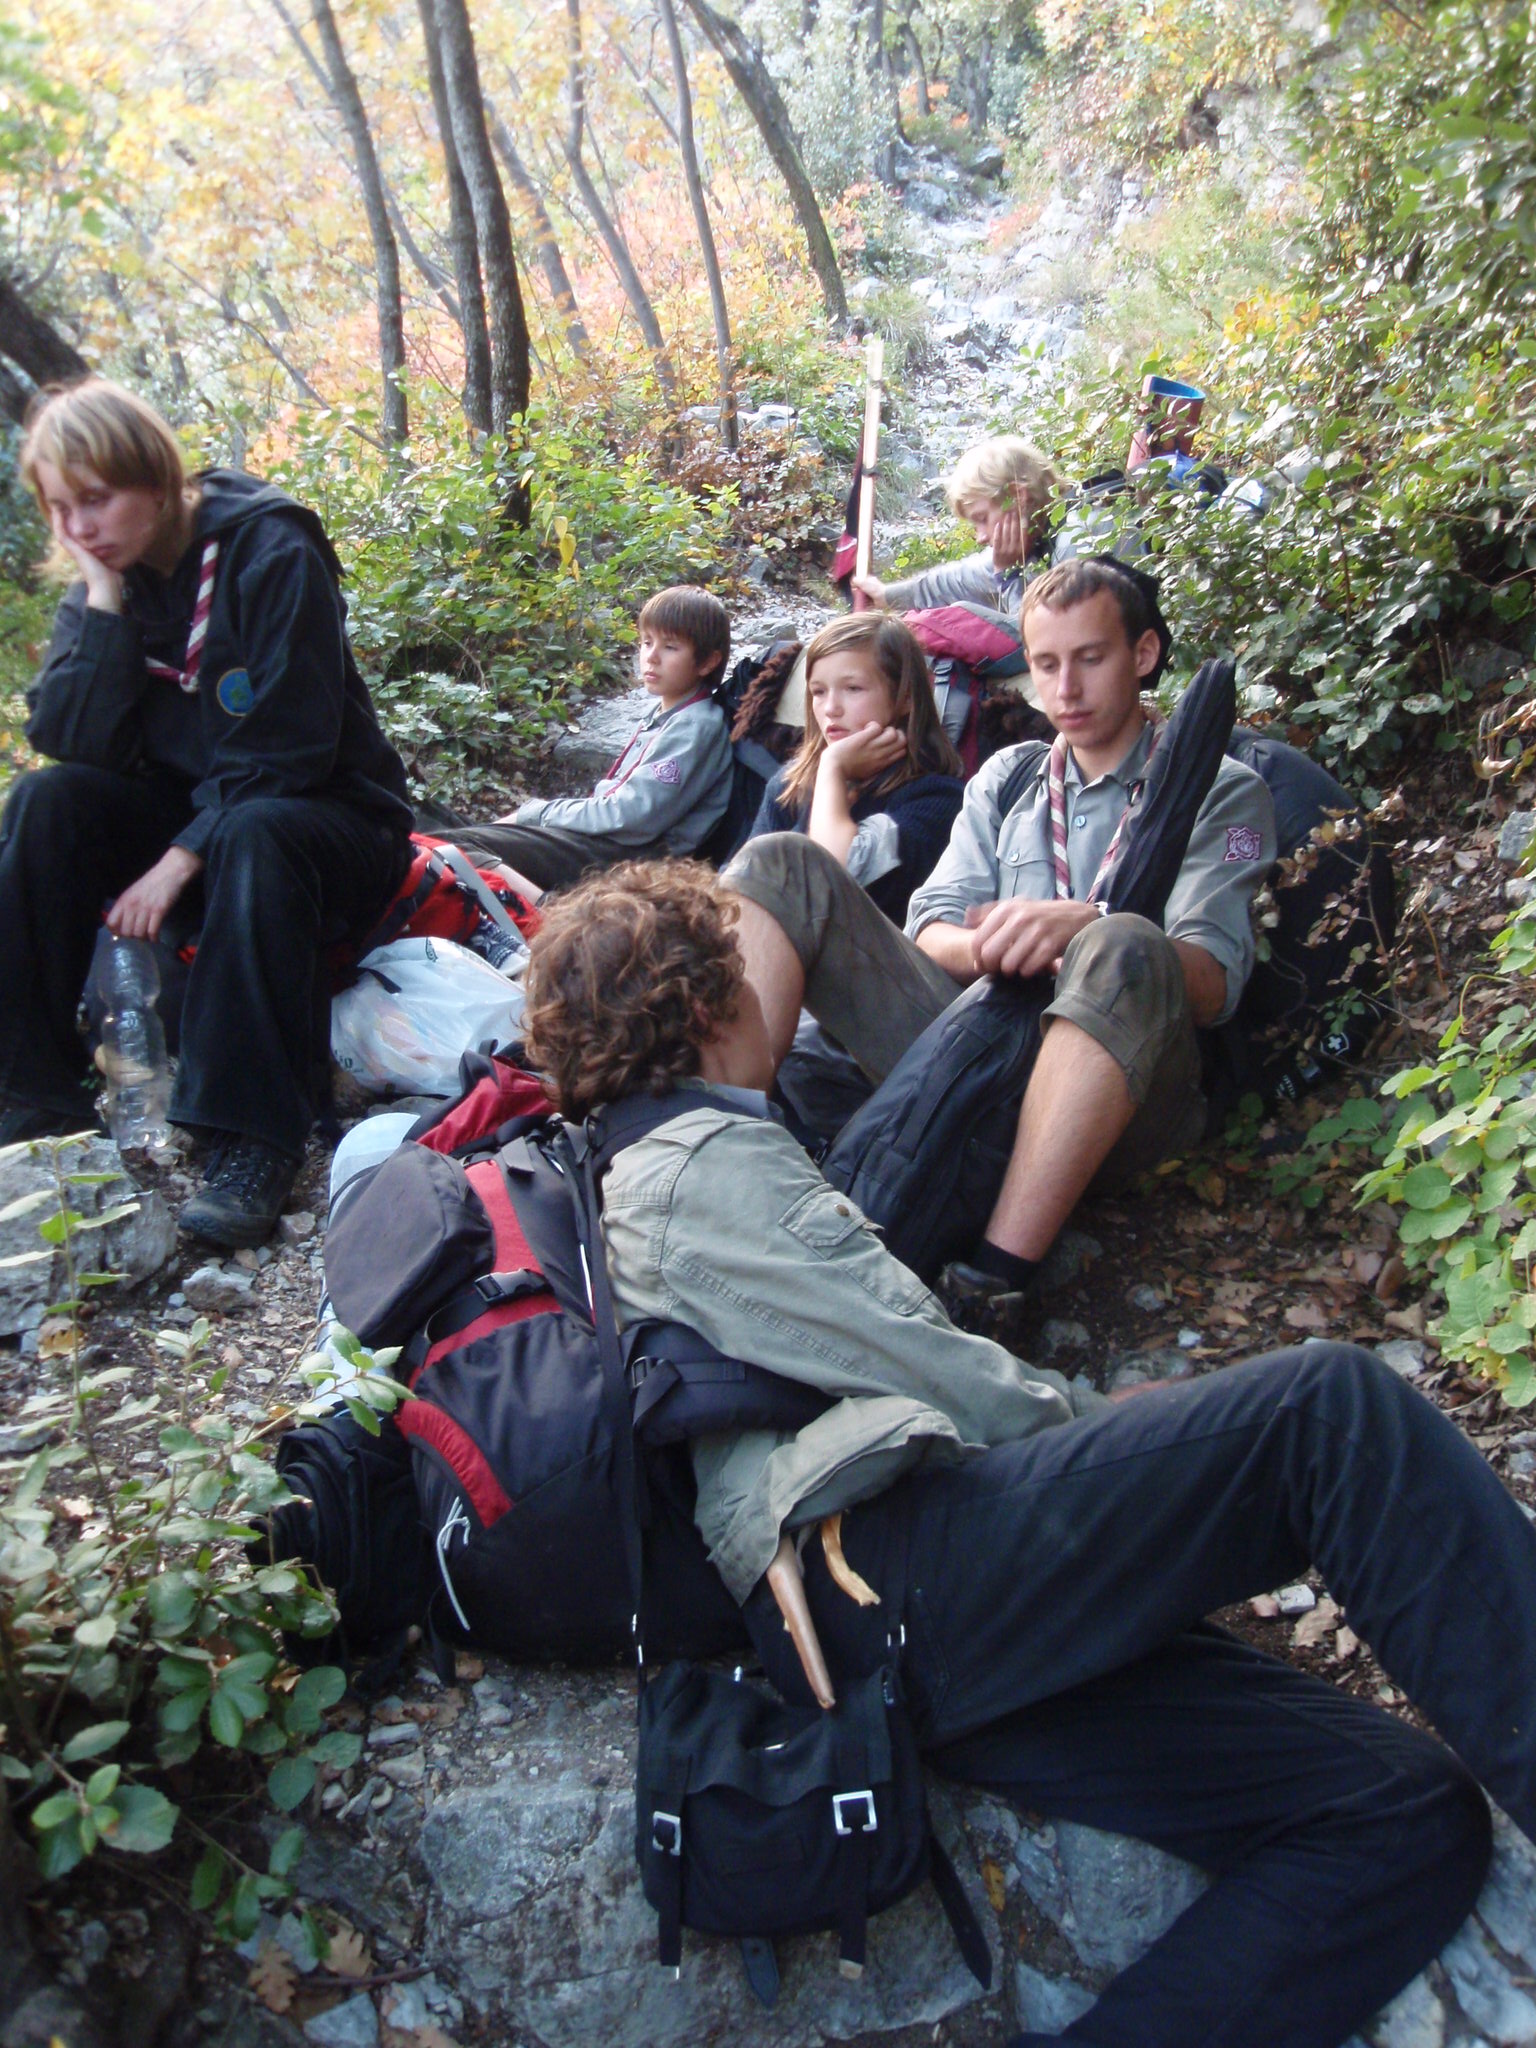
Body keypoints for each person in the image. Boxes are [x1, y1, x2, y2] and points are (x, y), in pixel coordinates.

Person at [521, 857, 1536, 2048]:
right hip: (894, 1571)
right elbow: (931, 1371)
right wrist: (1112, 1430)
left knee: (1400, 1807)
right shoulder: (701, 1164)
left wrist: (1134, 1443)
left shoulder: (621, 1163)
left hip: (903, 1629)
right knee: (1329, 1412)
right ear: (708, 1005)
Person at [723, 557, 1277, 1321]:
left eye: (1090, 659)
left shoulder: (1225, 791)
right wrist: (988, 948)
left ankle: (991, 1284)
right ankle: (721, 1144)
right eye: (1045, 664)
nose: (1065, 689)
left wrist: (1088, 927)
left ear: (1144, 654)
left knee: (1121, 943)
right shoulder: (1010, 776)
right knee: (780, 863)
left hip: (1124, 1097)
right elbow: (930, 930)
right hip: (979, 1051)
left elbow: (1214, 985)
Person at [4, 377, 413, 1246]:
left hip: (329, 822)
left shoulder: (268, 547)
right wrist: (103, 599)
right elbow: (70, 740)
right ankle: (35, 1097)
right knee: (46, 802)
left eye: (96, 499)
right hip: (198, 821)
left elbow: (293, 746)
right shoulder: (108, 578)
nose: (79, 527)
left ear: (155, 479)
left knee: (257, 829)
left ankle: (253, 1140)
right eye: (60, 509)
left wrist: (181, 856)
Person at [452, 585, 732, 899]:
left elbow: (631, 817)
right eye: (646, 642)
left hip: (630, 860)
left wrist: (537, 814)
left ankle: (547, 911)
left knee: (455, 848)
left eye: (670, 647)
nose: (651, 657)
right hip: (612, 845)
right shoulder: (669, 713)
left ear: (708, 662)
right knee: (444, 828)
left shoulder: (696, 725)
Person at [745, 612, 963, 925]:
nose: (831, 708)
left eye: (853, 688)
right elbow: (743, 881)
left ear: (905, 698)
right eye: (818, 692)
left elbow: (838, 881)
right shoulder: (790, 783)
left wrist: (833, 769)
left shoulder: (936, 798)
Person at [852, 435, 1055, 617]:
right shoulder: (1025, 546)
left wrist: (1010, 575)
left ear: (1018, 496)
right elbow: (955, 581)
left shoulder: (1069, 544)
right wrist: (886, 595)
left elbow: (1036, 641)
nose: (981, 538)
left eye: (982, 518)